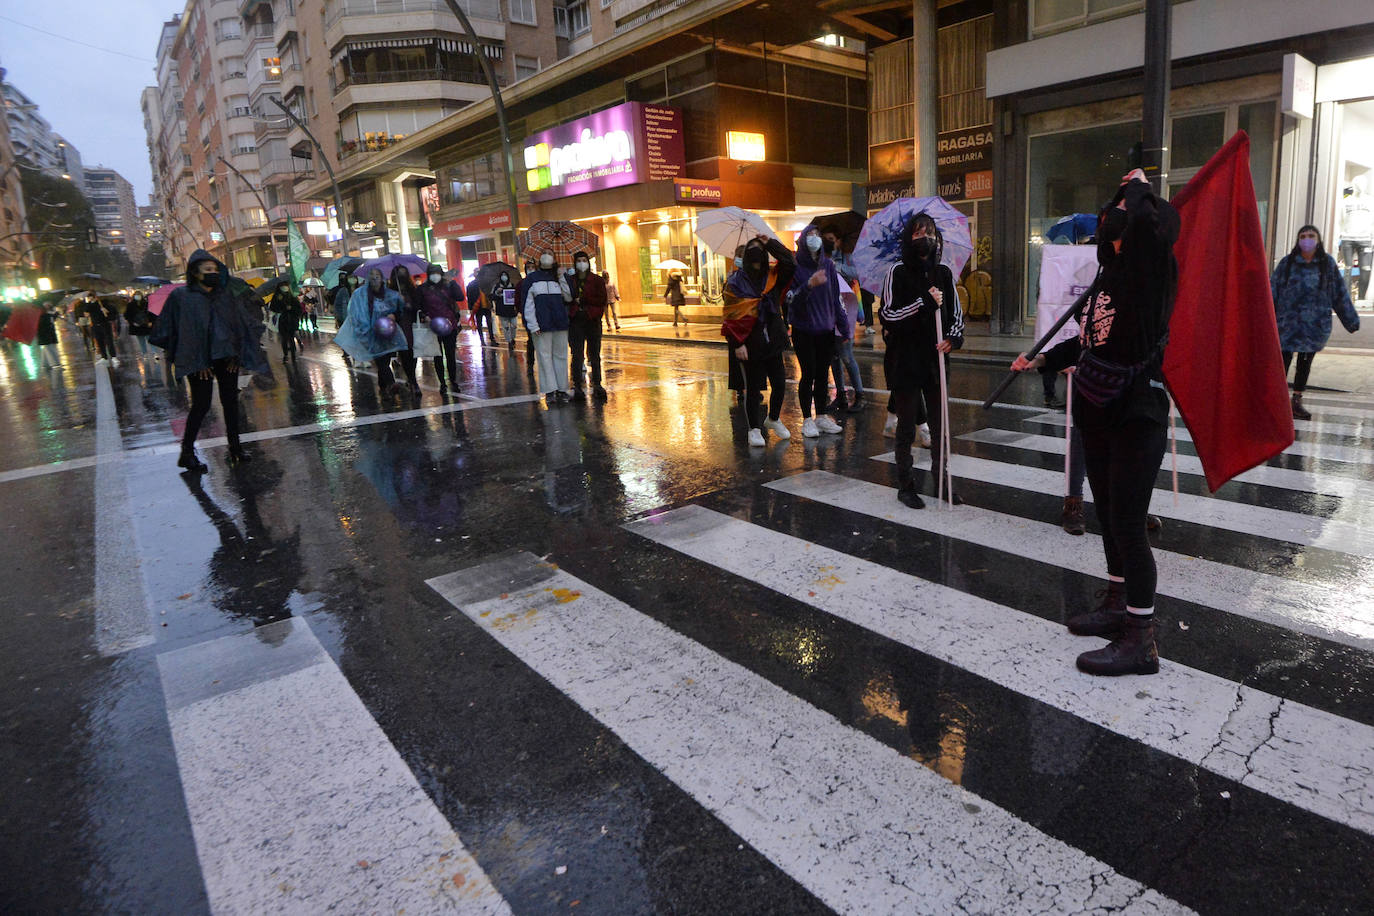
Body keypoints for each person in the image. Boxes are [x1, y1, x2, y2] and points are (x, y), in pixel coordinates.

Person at [1012, 170, 1179, 677]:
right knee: (1107, 514)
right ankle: (1116, 602)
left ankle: (1141, 640)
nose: (1111, 227)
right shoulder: (1110, 273)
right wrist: (1039, 359)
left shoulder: (1153, 269)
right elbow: (1090, 339)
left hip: (1136, 412)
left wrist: (1137, 186)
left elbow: (1146, 224)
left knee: (1129, 523)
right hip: (1098, 406)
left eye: (1118, 221)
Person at [150, 249, 265, 470]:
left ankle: (236, 449)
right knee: (201, 406)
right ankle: (186, 452)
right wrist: (194, 361)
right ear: (195, 272)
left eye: (215, 269)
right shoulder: (181, 297)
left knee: (231, 404)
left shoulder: (224, 296)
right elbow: (173, 332)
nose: (212, 273)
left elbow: (238, 326)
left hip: (226, 357)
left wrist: (236, 354)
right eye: (207, 269)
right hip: (198, 362)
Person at [880, 211, 964, 509]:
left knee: (940, 425)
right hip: (906, 360)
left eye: (928, 232)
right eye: (917, 233)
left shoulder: (943, 274)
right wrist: (922, 304)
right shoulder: (897, 272)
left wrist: (953, 338)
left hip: (935, 360)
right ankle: (905, 485)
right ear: (908, 238)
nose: (923, 238)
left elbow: (956, 314)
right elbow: (888, 315)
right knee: (906, 426)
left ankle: (941, 480)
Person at [1271, 224, 1360, 420]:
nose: (1307, 239)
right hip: (1288, 325)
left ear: (1318, 239)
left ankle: (1296, 401)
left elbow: (1339, 294)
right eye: (1303, 236)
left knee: (1305, 363)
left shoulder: (1326, 264)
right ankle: (1276, 402)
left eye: (1311, 235)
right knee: (1282, 363)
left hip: (1314, 325)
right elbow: (1272, 292)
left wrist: (1351, 321)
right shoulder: (1287, 264)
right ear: (1297, 240)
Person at [723, 234, 796, 447]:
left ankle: (773, 418)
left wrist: (770, 243)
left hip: (773, 339)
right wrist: (737, 344)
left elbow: (790, 261)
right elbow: (730, 316)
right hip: (749, 342)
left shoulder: (773, 277)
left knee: (780, 383)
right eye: (752, 251)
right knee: (753, 389)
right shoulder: (735, 283)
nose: (756, 255)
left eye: (759, 250)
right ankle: (754, 429)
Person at [787, 225, 848, 438]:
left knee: (823, 374)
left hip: (826, 329)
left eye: (817, 235)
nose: (814, 239)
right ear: (803, 240)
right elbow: (791, 300)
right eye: (810, 235)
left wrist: (844, 328)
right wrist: (809, 285)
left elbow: (835, 298)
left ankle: (821, 416)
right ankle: (806, 419)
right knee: (808, 373)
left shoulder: (828, 266)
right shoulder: (795, 267)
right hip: (804, 329)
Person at [347, 267, 410, 397]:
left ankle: (383, 388)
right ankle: (391, 383)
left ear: (382, 278)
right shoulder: (361, 295)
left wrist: (395, 312)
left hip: (388, 333)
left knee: (385, 361)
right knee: (381, 361)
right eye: (372, 275)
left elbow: (400, 311)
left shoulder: (390, 294)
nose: (375, 278)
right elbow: (356, 313)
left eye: (377, 275)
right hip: (371, 334)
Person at [523, 252, 573, 406]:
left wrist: (563, 277)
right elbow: (528, 305)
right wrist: (533, 325)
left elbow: (569, 297)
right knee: (544, 358)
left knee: (561, 357)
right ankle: (550, 390)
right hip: (542, 326)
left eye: (550, 254)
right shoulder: (531, 279)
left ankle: (562, 388)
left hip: (560, 324)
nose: (547, 256)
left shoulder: (559, 277)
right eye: (544, 254)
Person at [566, 251, 609, 400]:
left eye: (584, 260)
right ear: (575, 263)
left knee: (594, 355)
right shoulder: (571, 280)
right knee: (577, 355)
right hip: (576, 321)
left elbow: (602, 299)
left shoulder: (597, 280)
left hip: (592, 320)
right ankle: (577, 385)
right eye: (579, 261)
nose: (582, 263)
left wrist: (586, 300)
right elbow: (566, 299)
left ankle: (597, 384)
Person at [416, 263, 462, 393]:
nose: (435, 276)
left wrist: (453, 283)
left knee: (450, 354)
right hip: (433, 326)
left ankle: (453, 381)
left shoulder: (448, 286)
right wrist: (424, 316)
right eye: (432, 273)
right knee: (437, 355)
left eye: (437, 273)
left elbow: (460, 297)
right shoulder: (423, 289)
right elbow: (418, 306)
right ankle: (442, 382)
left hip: (449, 324)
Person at [387, 265, 423, 397]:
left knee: (413, 355)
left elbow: (418, 306)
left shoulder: (412, 290)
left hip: (412, 325)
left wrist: (410, 305)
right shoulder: (390, 292)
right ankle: (413, 381)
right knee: (405, 354)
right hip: (399, 326)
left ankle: (411, 378)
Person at [79, 292, 120, 367]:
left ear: (96, 297)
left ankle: (113, 357)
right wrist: (88, 303)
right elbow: (86, 313)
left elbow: (112, 313)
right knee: (100, 341)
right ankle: (104, 357)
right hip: (95, 325)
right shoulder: (90, 305)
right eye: (89, 297)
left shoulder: (103, 303)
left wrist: (105, 311)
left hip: (105, 324)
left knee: (109, 341)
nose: (91, 298)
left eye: (92, 297)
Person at [269, 280, 303, 361]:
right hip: (283, 320)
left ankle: (293, 355)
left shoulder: (292, 297)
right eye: (283, 286)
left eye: (286, 286)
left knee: (291, 338)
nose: (285, 288)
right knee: (284, 338)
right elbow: (273, 307)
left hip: (291, 320)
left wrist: (291, 309)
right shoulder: (277, 296)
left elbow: (299, 309)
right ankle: (286, 354)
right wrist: (281, 308)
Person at [492, 269, 519, 354]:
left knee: (514, 325)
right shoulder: (497, 286)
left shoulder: (512, 285)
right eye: (502, 275)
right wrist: (497, 292)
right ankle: (509, 341)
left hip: (512, 310)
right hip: (502, 310)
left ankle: (513, 338)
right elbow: (492, 297)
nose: (504, 277)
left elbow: (517, 295)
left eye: (505, 275)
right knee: (506, 327)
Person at [125, 290, 155, 359]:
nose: (138, 296)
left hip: (146, 324)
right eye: (136, 295)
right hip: (137, 326)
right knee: (141, 341)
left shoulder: (147, 303)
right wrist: (132, 322)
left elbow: (151, 314)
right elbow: (127, 315)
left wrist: (151, 322)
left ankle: (154, 353)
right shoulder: (130, 305)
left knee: (150, 339)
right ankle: (144, 354)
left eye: (139, 295)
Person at [35, 299, 61, 371]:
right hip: (44, 334)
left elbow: (51, 320)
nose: (49, 305)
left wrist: (55, 314)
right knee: (49, 348)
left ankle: (45, 364)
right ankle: (54, 364)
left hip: (49, 333)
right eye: (47, 303)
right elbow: (44, 322)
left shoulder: (47, 313)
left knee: (47, 348)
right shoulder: (41, 313)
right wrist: (52, 315)